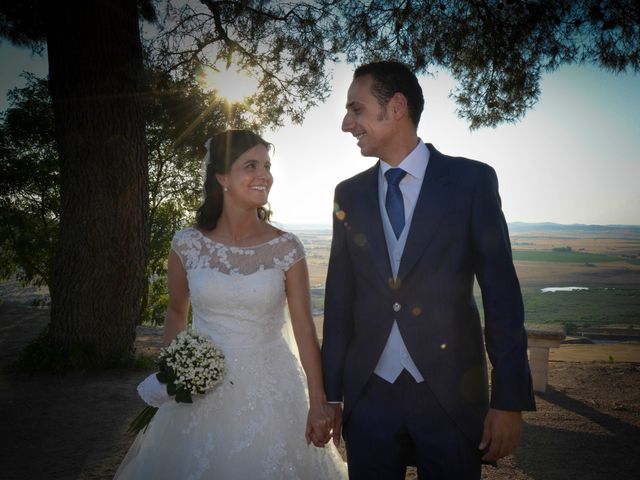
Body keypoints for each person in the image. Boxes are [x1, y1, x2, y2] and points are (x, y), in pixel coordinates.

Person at [320, 61, 536, 479]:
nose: (348, 123)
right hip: (369, 399)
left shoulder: (471, 182)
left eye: (356, 109)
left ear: (396, 107)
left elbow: (502, 296)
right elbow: (340, 299)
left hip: (452, 397)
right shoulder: (349, 193)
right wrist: (333, 396)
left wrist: (509, 400)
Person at [115, 129, 347, 479]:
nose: (264, 175)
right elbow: (177, 312)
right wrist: (175, 371)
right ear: (221, 177)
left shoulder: (287, 247)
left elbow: (303, 326)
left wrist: (317, 401)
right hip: (202, 391)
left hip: (274, 389)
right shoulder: (186, 244)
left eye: (267, 166)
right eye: (250, 165)